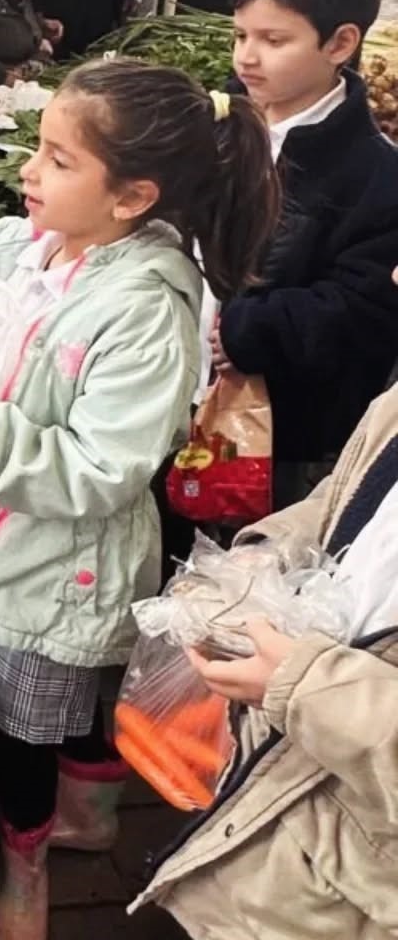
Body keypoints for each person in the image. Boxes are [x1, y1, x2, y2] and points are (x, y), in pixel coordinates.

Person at [0, 58, 280, 940]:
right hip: (31, 540)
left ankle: (26, 857)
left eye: (56, 159)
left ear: (131, 198)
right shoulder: (67, 248)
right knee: (78, 692)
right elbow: (18, 315)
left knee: (22, 724)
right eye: (37, 149)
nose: (28, 171)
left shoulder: (147, 314)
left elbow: (97, 470)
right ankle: (91, 815)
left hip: (61, 562)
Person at [132, 363, 398, 938]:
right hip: (279, 844)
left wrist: (307, 686)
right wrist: (264, 555)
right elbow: (351, 493)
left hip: (353, 901)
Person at [213, 0, 398, 507]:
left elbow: (363, 310)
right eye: (240, 33)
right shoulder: (216, 124)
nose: (246, 55)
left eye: (273, 39)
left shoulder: (376, 177)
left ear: (340, 44)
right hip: (178, 396)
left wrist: (246, 330)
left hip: (282, 436)